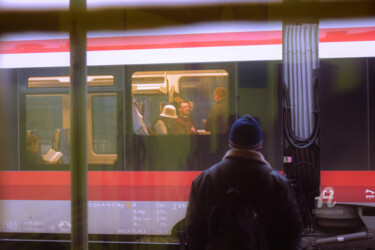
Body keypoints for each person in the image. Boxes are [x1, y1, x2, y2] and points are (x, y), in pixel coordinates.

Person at [185, 114, 303, 250]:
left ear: (230, 143)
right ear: (259, 145)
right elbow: (292, 233)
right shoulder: (276, 183)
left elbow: (194, 232)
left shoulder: (204, 180)